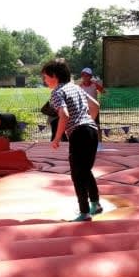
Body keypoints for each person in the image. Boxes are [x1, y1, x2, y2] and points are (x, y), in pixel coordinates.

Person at [43, 58, 101, 222]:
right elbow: (95, 105)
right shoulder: (75, 87)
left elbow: (64, 115)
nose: (44, 81)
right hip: (92, 130)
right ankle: (95, 203)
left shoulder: (57, 92)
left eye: (45, 77)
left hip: (79, 133)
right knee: (85, 170)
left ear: (54, 76)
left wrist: (57, 138)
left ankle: (84, 212)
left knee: (77, 174)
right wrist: (88, 121)